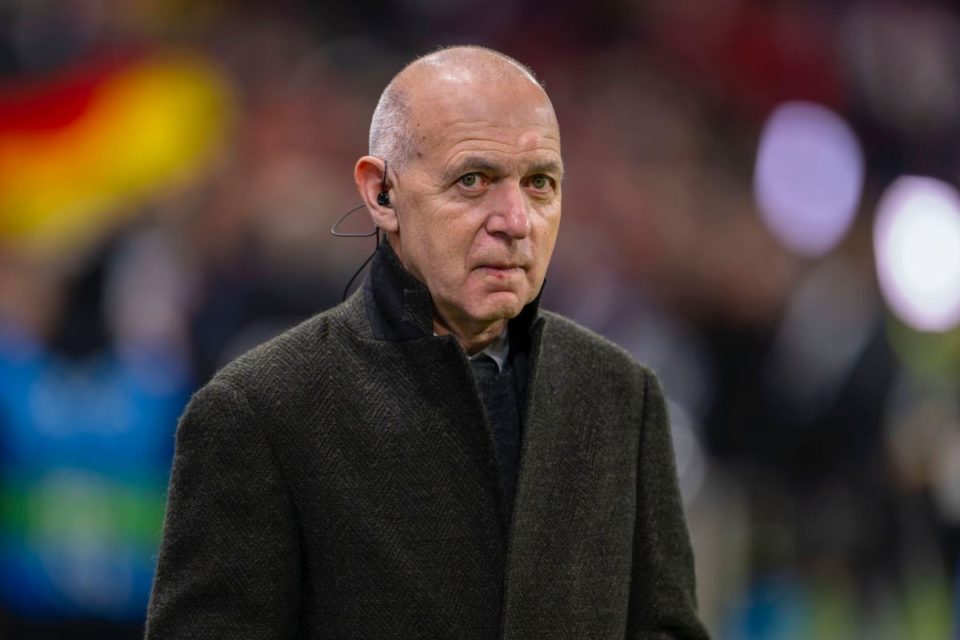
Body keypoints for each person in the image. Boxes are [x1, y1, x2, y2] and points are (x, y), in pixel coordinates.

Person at [145, 45, 708, 639]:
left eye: (540, 183)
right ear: (380, 193)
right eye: (473, 180)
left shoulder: (622, 397)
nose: (516, 221)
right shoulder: (258, 412)